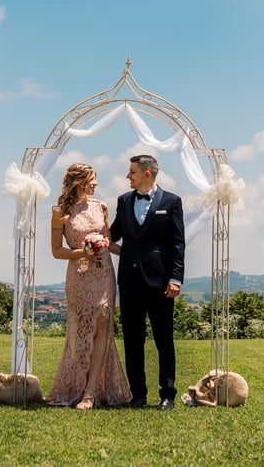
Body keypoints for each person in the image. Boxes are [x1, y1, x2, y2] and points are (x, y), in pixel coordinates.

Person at [46, 163, 131, 410]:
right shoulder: (60, 212)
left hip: (104, 275)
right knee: (80, 333)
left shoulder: (101, 207)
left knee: (102, 330)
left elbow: (110, 243)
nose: (95, 183)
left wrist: (136, 254)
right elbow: (57, 251)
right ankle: (76, 385)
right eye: (92, 179)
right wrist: (82, 252)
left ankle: (91, 392)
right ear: (79, 181)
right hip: (79, 276)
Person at [110, 154, 185, 411]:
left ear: (147, 173)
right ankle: (138, 395)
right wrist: (92, 233)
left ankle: (168, 395)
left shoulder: (172, 202)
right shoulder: (124, 200)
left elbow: (177, 243)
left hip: (160, 282)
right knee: (132, 341)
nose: (127, 176)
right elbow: (114, 232)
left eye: (132, 172)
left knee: (164, 340)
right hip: (129, 281)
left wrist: (175, 278)